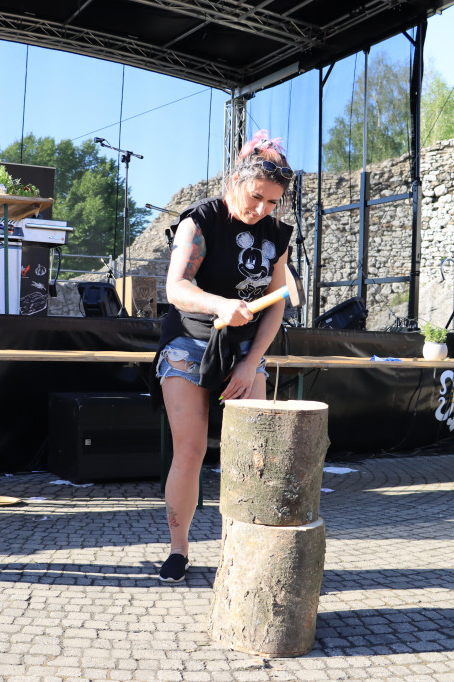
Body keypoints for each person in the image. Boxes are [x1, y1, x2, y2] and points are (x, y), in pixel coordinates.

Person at [154, 130, 294, 582]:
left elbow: (277, 303)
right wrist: (219, 305)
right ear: (236, 179)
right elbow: (176, 288)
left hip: (245, 352)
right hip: (189, 346)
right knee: (191, 451)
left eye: (272, 203)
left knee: (256, 455)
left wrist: (252, 362)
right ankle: (179, 550)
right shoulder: (200, 221)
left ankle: (247, 551)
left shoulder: (277, 234)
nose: (261, 210)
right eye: (256, 197)